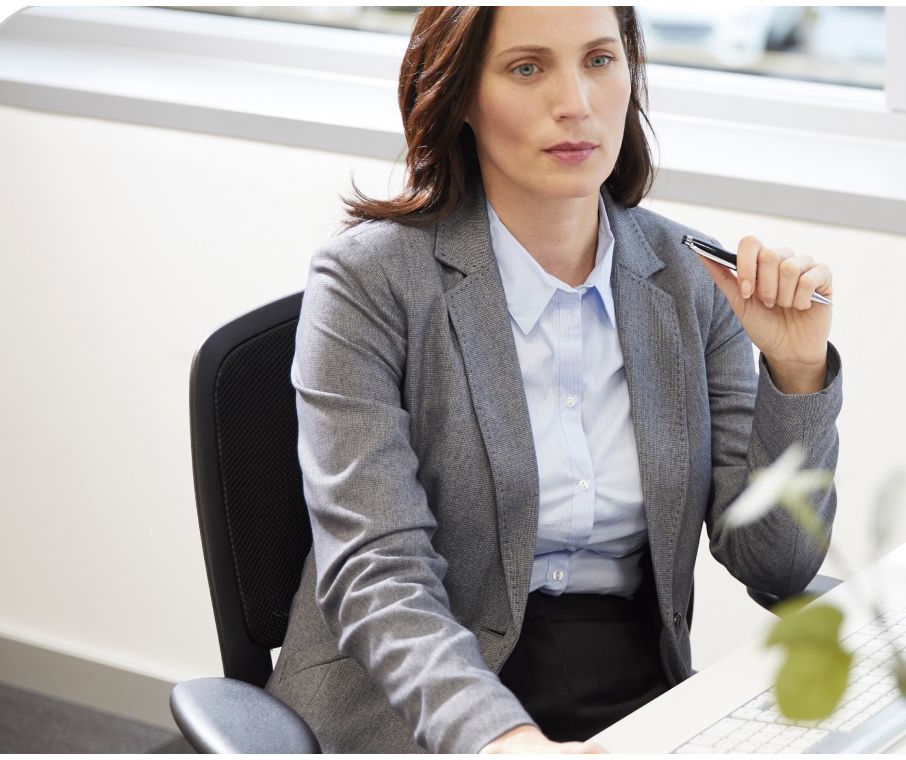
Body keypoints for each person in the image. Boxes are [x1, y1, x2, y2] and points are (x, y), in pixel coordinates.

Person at [264, 6, 843, 754]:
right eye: (527, 68)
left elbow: (777, 564)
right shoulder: (367, 282)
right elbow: (378, 572)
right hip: (413, 701)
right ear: (460, 94)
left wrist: (795, 373)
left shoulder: (692, 280)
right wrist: (504, 739)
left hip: (634, 686)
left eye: (599, 61)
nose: (575, 102)